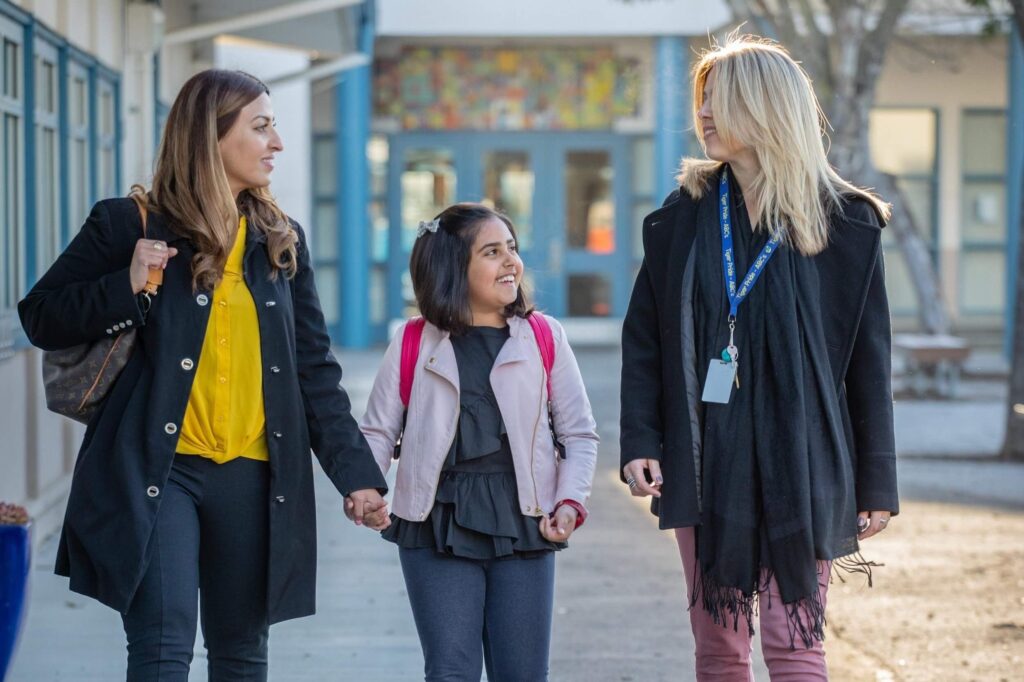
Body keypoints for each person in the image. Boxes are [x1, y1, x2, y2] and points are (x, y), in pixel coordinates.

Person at [18, 69, 388, 681]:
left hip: (254, 475)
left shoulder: (279, 241)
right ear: (210, 137)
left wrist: (357, 477)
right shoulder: (127, 225)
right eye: (261, 126)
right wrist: (125, 284)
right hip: (159, 472)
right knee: (162, 649)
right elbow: (40, 317)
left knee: (242, 655)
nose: (277, 142)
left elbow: (314, 372)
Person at [619, 35, 899, 681]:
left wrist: (876, 480)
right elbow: (646, 342)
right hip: (704, 453)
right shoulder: (682, 216)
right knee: (718, 644)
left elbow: (867, 361)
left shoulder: (846, 221)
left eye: (722, 100)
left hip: (805, 458)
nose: (706, 114)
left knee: (794, 641)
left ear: (768, 108)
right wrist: (641, 439)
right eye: (703, 100)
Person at [358, 203, 599, 681]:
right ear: (453, 268)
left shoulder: (544, 337)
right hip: (436, 523)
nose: (511, 261)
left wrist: (570, 501)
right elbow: (378, 431)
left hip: (525, 521)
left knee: (523, 673)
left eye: (512, 247)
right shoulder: (412, 341)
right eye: (492, 251)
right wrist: (365, 488)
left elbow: (578, 433)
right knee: (450, 670)